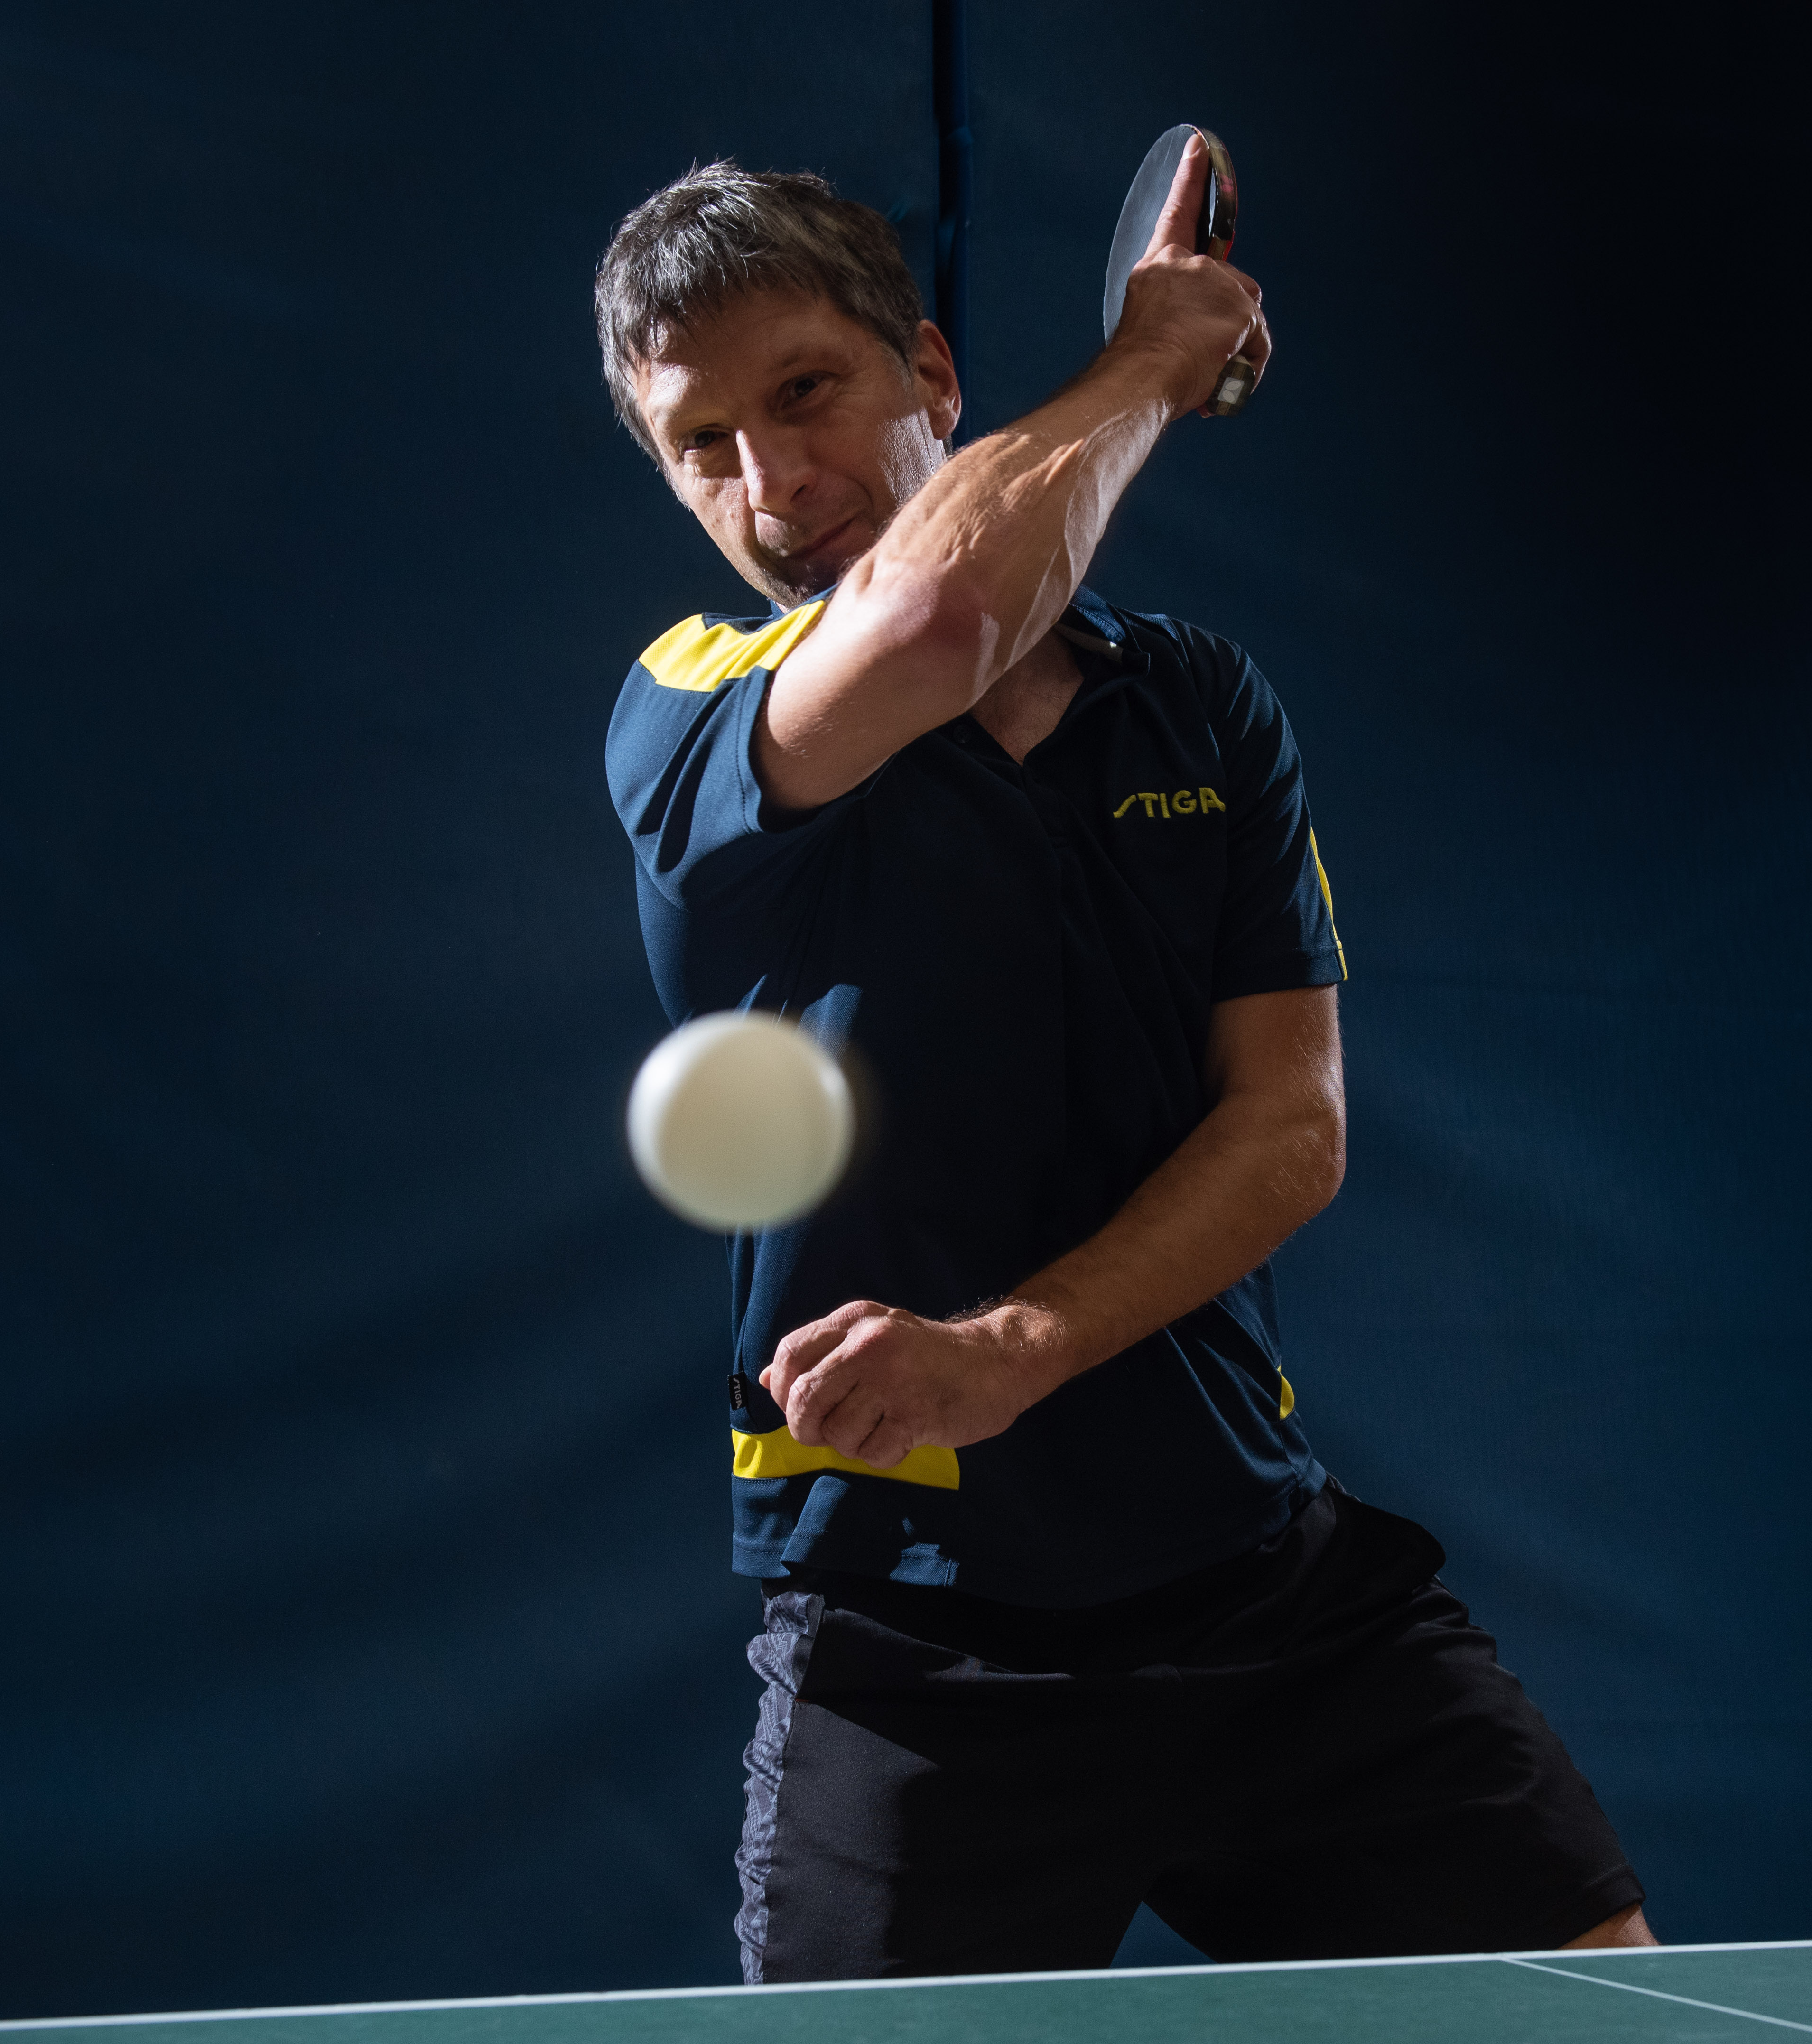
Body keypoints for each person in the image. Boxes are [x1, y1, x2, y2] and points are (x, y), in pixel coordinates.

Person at [593, 144, 1647, 1981]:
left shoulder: (1201, 706)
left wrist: (1012, 1350)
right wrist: (1158, 355)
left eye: (807, 392)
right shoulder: (694, 707)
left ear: (932, 372)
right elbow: (932, 622)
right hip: (923, 1652)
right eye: (703, 446)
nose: (772, 483)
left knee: (1623, 2008)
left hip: (1267, 1591)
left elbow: (1291, 1129)